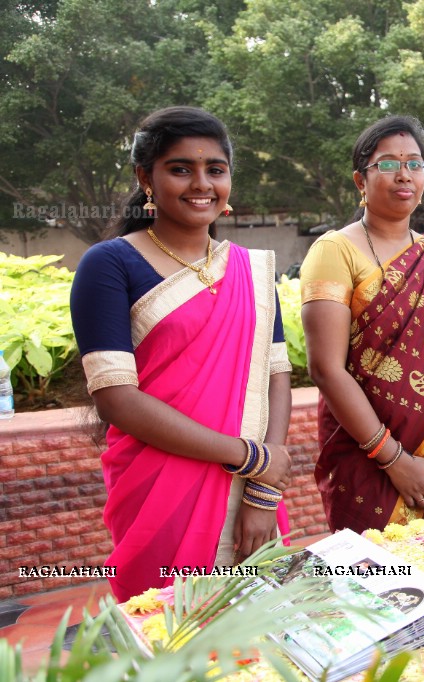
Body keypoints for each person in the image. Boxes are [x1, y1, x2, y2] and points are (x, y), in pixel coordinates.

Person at [69, 106, 293, 601]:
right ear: (145, 177)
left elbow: (277, 375)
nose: (201, 183)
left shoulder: (252, 271)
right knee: (173, 635)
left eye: (215, 169)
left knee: (260, 641)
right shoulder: (109, 264)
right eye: (180, 169)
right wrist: (253, 459)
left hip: (252, 489)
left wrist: (262, 488)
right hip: (161, 490)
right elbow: (116, 399)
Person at [300, 115, 424, 534]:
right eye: (387, 164)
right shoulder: (335, 251)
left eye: (415, 163)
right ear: (359, 180)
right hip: (370, 462)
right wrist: (393, 458)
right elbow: (326, 370)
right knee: (375, 588)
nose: (404, 174)